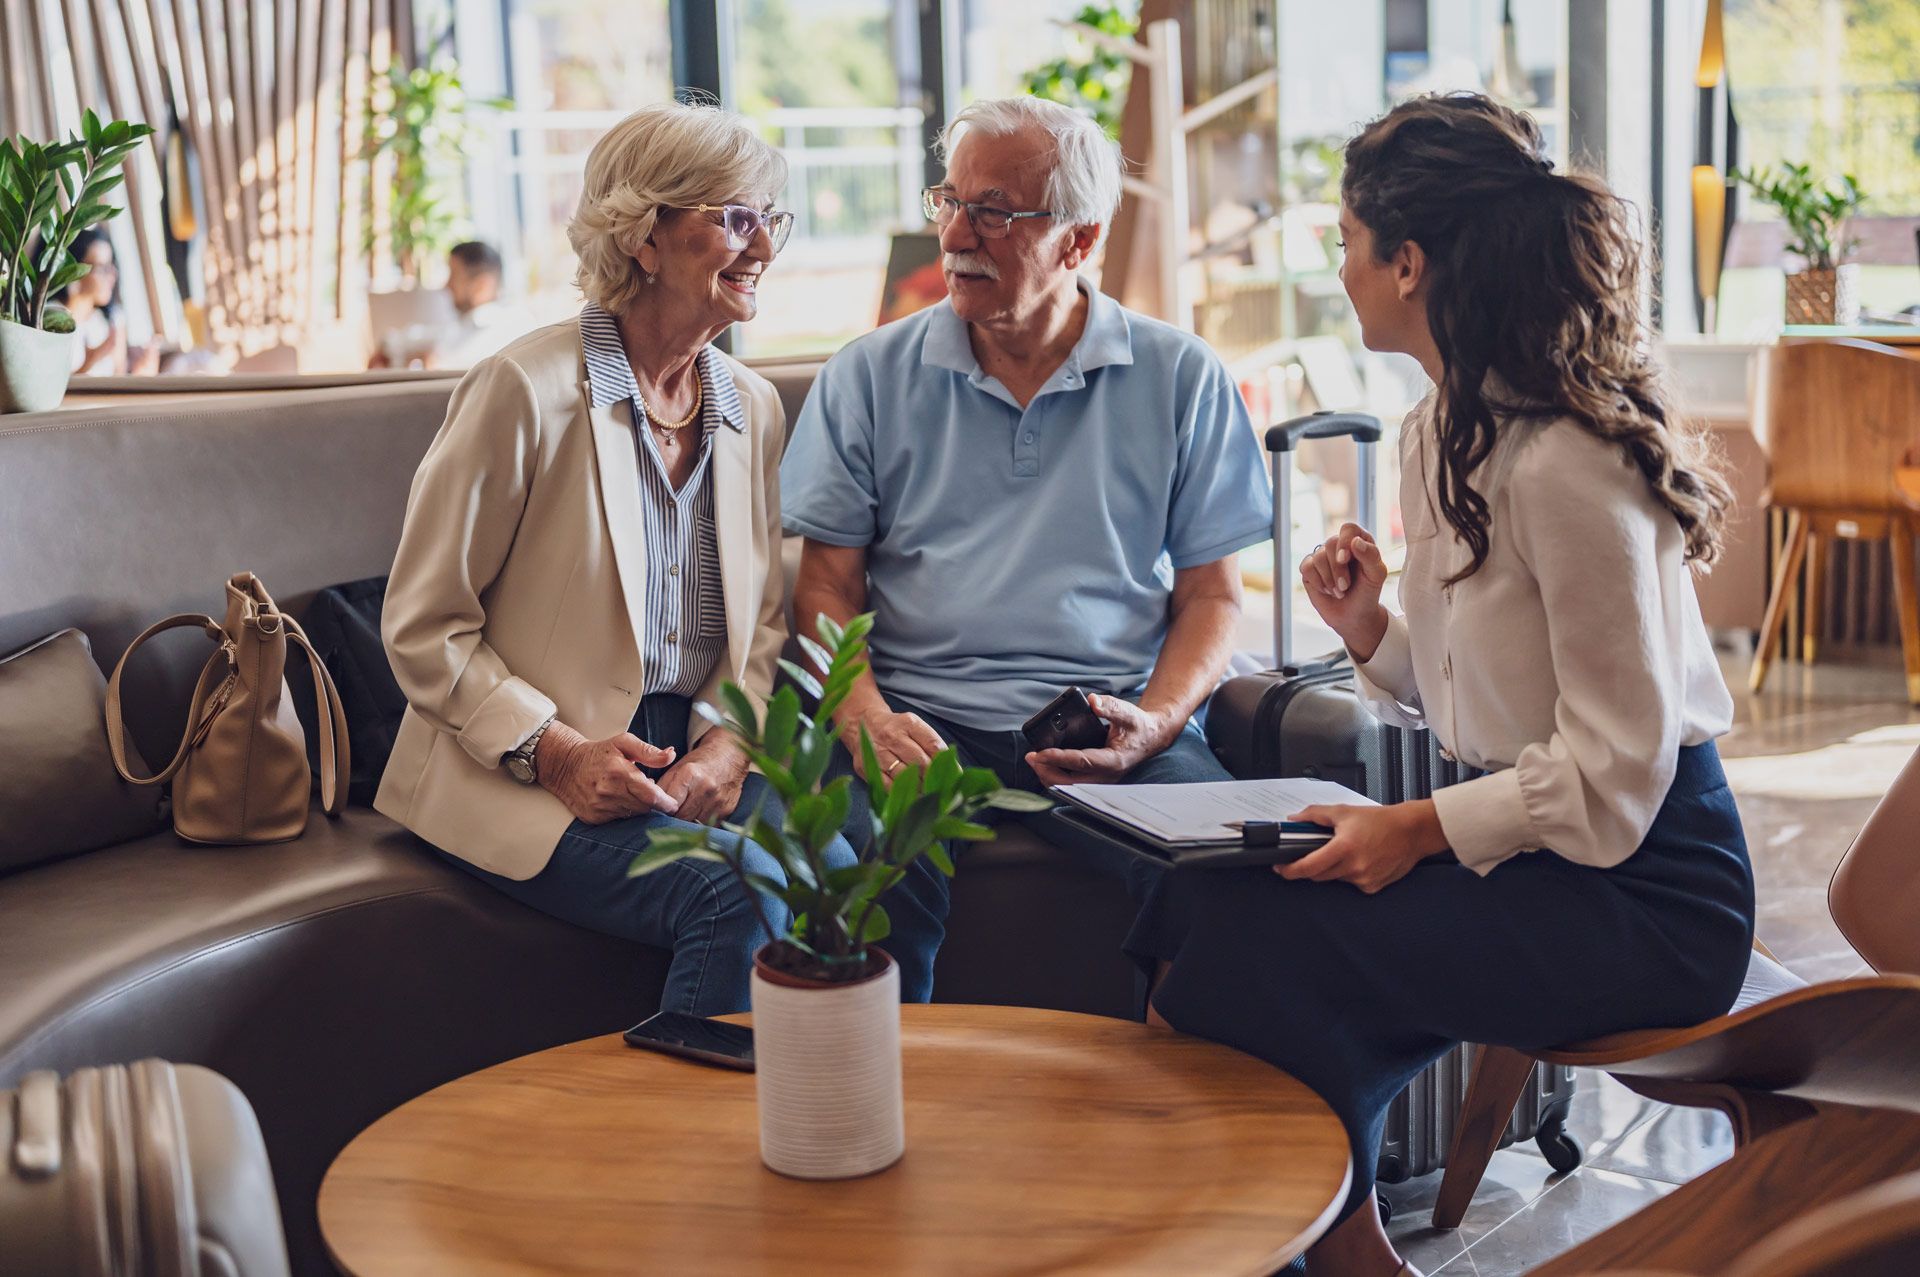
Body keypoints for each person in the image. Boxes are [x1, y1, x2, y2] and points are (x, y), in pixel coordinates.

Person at [1125, 94, 1756, 1277]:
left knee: (1265, 949)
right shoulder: (1440, 428)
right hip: (1542, 860)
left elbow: (1618, 774)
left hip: (1651, 900)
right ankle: (1323, 1240)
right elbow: (1491, 699)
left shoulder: (1570, 457)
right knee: (1204, 900)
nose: (1342, 266)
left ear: (1408, 262)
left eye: (1349, 242)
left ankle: (1272, 1242)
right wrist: (1372, 628)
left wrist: (1413, 829)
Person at [779, 95, 1272, 1001]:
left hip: (1112, 714)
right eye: (952, 201)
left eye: (996, 212)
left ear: (1079, 242)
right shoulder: (868, 376)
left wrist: (1155, 724)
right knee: (850, 882)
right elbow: (824, 589)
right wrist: (868, 722)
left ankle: (1173, 1132)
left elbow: (1213, 597)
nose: (958, 233)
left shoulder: (1181, 375)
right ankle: (884, 1122)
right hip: (921, 718)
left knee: (1231, 882)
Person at [374, 102, 835, 1017]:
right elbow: (424, 627)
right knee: (734, 891)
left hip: (694, 746)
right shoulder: (522, 390)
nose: (764, 249)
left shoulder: (751, 404)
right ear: (644, 237)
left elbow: (762, 626)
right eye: (734, 219)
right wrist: (556, 753)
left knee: (854, 868)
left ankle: (834, 1127)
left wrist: (731, 745)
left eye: (768, 221)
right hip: (522, 765)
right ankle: (684, 1155)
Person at [372, 240, 533, 369]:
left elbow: (443, 359)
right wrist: (390, 348)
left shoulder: (508, 326)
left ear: (482, 285)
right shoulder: (463, 326)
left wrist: (429, 360)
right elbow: (423, 338)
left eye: (454, 276)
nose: (446, 285)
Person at [60, 227, 128, 376]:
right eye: (101, 268)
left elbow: (119, 383)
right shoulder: (49, 320)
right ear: (74, 271)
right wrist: (89, 363)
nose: (112, 275)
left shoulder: (107, 323)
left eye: (111, 266)